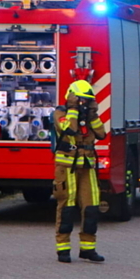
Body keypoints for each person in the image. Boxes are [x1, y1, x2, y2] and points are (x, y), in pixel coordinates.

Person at [52, 80, 107, 263]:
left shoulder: (89, 115)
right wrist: (73, 108)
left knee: (91, 207)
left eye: (87, 100)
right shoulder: (61, 112)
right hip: (67, 167)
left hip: (87, 166)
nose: (84, 102)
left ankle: (88, 248)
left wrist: (92, 113)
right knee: (67, 207)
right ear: (72, 96)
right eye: (81, 99)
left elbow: (101, 133)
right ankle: (63, 249)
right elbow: (70, 129)